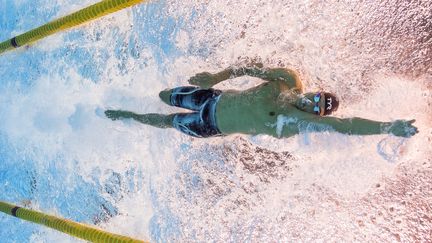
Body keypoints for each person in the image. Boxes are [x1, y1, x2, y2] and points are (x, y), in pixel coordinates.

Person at [105, 64, 418, 138]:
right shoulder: (288, 81)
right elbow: (251, 66)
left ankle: (125, 114)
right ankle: (122, 85)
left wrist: (388, 127)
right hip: (212, 95)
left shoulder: (295, 123)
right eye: (318, 99)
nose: (313, 105)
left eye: (319, 109)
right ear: (316, 91)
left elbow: (344, 125)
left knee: (164, 121)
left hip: (209, 123)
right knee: (163, 95)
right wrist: (216, 77)